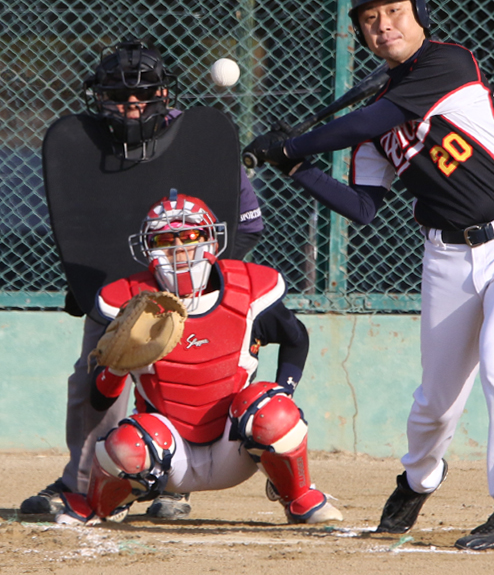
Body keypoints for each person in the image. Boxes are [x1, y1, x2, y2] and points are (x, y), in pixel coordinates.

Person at [241, 0, 494, 551]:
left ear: (417, 14)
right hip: (447, 255)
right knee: (435, 400)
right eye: (370, 19)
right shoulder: (374, 118)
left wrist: (291, 143)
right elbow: (361, 205)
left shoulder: (448, 62)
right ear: (361, 34)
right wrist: (298, 167)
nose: (384, 26)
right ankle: (417, 480)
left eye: (394, 13)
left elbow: (374, 117)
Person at [23, 39, 265, 521]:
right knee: (94, 377)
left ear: (164, 94)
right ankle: (82, 483)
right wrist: (88, 282)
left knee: (189, 381)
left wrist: (203, 283)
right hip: (123, 292)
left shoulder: (202, 144)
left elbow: (250, 223)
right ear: (97, 97)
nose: (130, 107)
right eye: (117, 96)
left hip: (194, 294)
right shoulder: (84, 148)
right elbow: (82, 225)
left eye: (142, 95)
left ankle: (174, 485)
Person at [55, 191, 339, 526]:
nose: (178, 249)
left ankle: (298, 495)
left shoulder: (249, 288)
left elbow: (297, 338)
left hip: (233, 446)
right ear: (147, 248)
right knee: (126, 445)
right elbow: (99, 400)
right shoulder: (129, 302)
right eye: (164, 239)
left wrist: (282, 393)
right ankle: (103, 504)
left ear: (211, 240)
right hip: (168, 451)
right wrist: (116, 368)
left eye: (190, 237)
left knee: (273, 412)